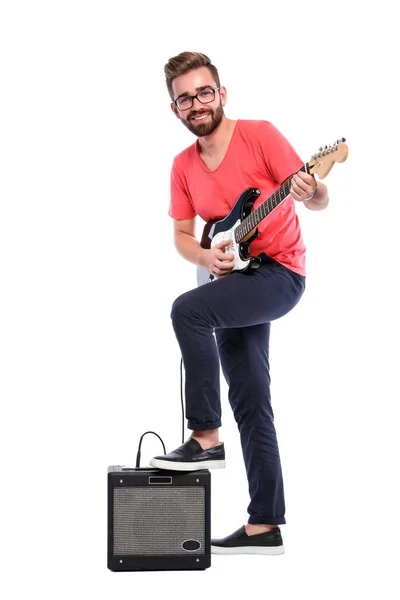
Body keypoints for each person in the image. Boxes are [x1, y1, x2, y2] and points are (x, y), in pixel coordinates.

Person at [149, 52, 329, 555]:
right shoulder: (182, 167)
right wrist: (208, 255)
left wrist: (312, 189)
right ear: (175, 110)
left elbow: (318, 199)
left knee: (188, 310)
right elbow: (183, 236)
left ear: (221, 94)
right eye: (185, 98)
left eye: (204, 92)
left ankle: (205, 437)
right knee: (251, 398)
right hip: (230, 278)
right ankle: (264, 526)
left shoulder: (261, 135)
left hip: (280, 274)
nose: (197, 103)